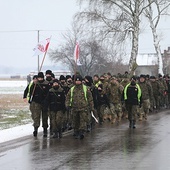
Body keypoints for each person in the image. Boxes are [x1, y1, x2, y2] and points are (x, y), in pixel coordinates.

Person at [65, 74, 94, 139]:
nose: (78, 82)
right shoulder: (72, 89)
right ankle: (76, 131)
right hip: (74, 108)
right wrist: (67, 105)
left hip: (84, 108)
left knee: (83, 121)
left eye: (79, 81)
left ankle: (82, 132)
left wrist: (91, 107)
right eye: (76, 81)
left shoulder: (85, 88)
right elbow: (68, 97)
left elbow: (90, 98)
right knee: (75, 121)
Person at [29, 72, 50, 137]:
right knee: (36, 116)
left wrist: (46, 101)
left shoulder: (47, 84)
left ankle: (45, 130)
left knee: (45, 117)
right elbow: (31, 92)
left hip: (44, 103)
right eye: (39, 78)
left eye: (41, 78)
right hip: (36, 102)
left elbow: (48, 94)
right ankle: (35, 129)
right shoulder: (35, 84)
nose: (40, 79)